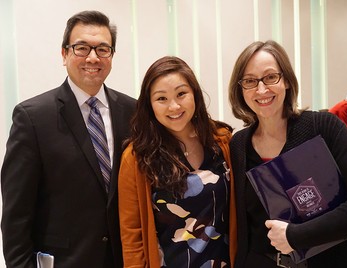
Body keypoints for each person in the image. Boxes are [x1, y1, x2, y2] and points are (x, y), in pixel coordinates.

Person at [1, 10, 136, 267]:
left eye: (103, 49)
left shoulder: (134, 112)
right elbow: (16, 217)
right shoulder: (32, 118)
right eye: (82, 48)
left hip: (125, 260)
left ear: (112, 56)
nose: (93, 57)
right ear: (64, 54)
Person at [228, 40, 347, 268]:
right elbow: (245, 228)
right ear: (240, 89)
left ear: (286, 81)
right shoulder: (238, 145)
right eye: (250, 81)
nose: (261, 89)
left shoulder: (323, 128)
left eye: (270, 77)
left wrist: (296, 236)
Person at [118, 56, 237, 267]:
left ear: (195, 95)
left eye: (181, 94)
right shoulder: (137, 157)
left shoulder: (221, 141)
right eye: (161, 98)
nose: (174, 106)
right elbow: (132, 237)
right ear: (150, 105)